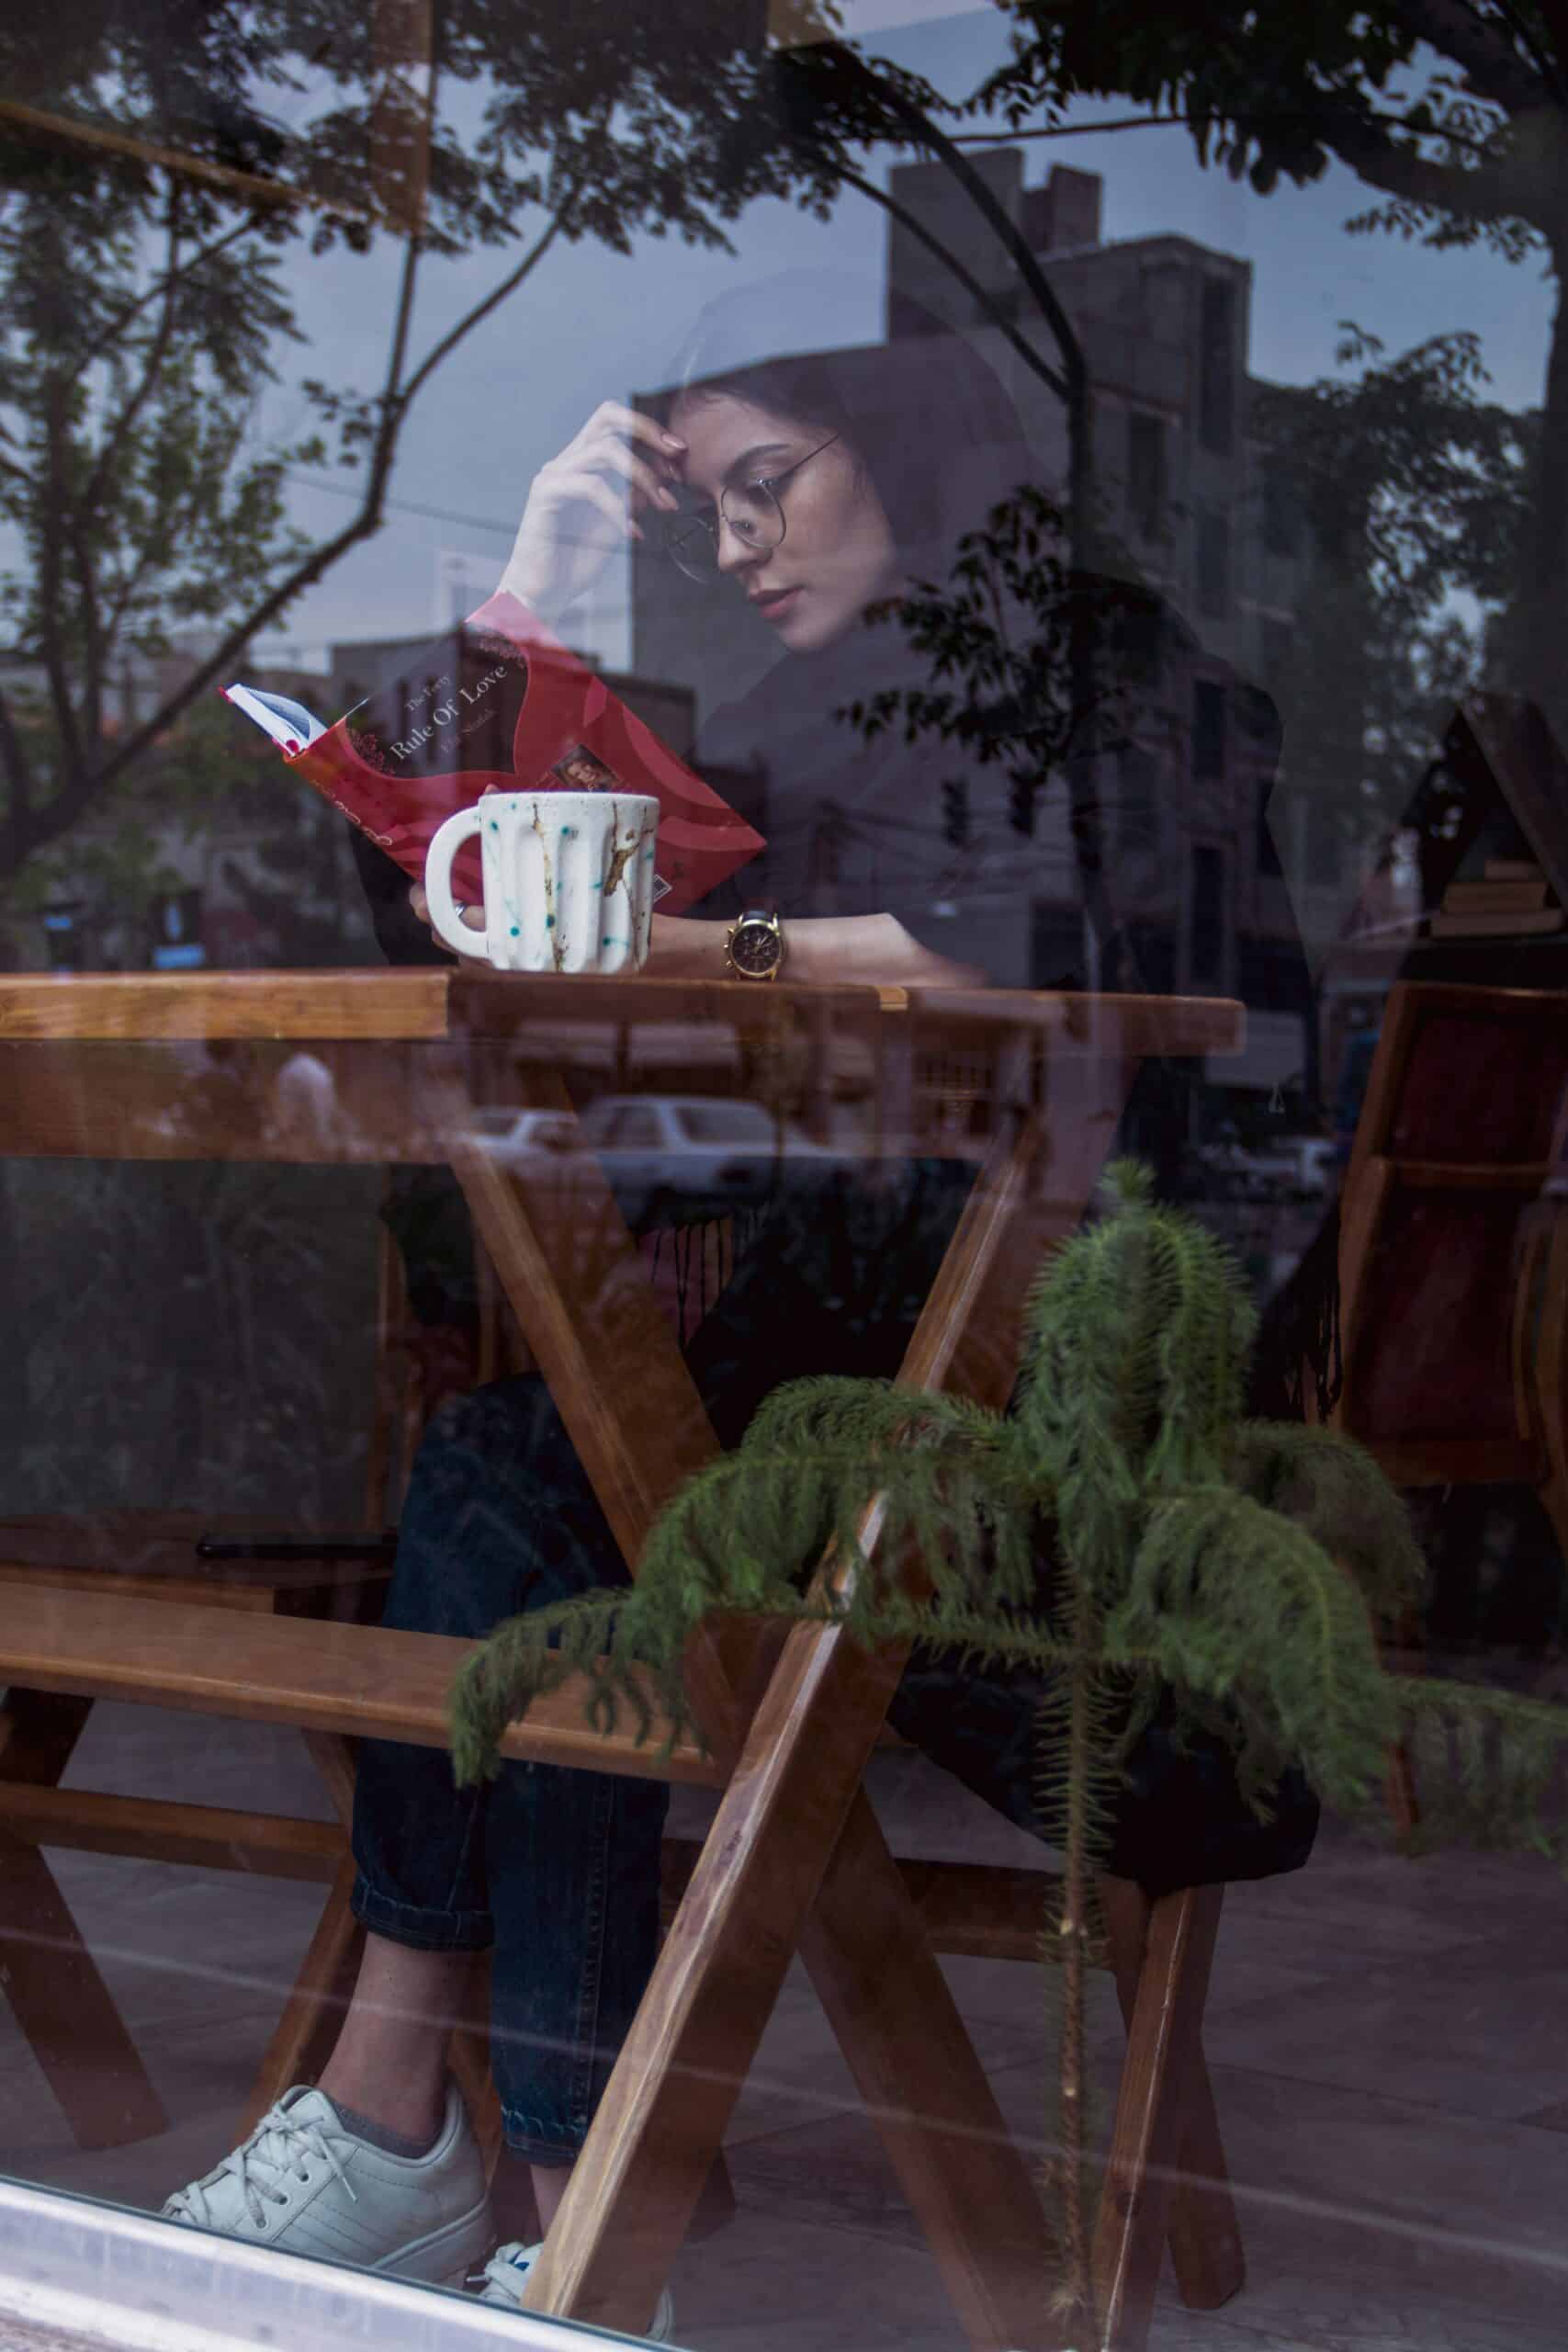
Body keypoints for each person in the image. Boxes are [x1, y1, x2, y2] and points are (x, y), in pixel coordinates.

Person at [161, 284, 1323, 2318]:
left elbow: (1046, 939)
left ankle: (491, 2187)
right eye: (705, 510)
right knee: (537, 1478)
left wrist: (711, 952)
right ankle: (514, 2194)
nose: (735, 545)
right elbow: (468, 907)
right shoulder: (818, 738)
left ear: (920, 453)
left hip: (1110, 1543)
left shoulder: (1126, 695)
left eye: (768, 483)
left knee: (564, 1499)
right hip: (844, 1452)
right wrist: (533, 586)